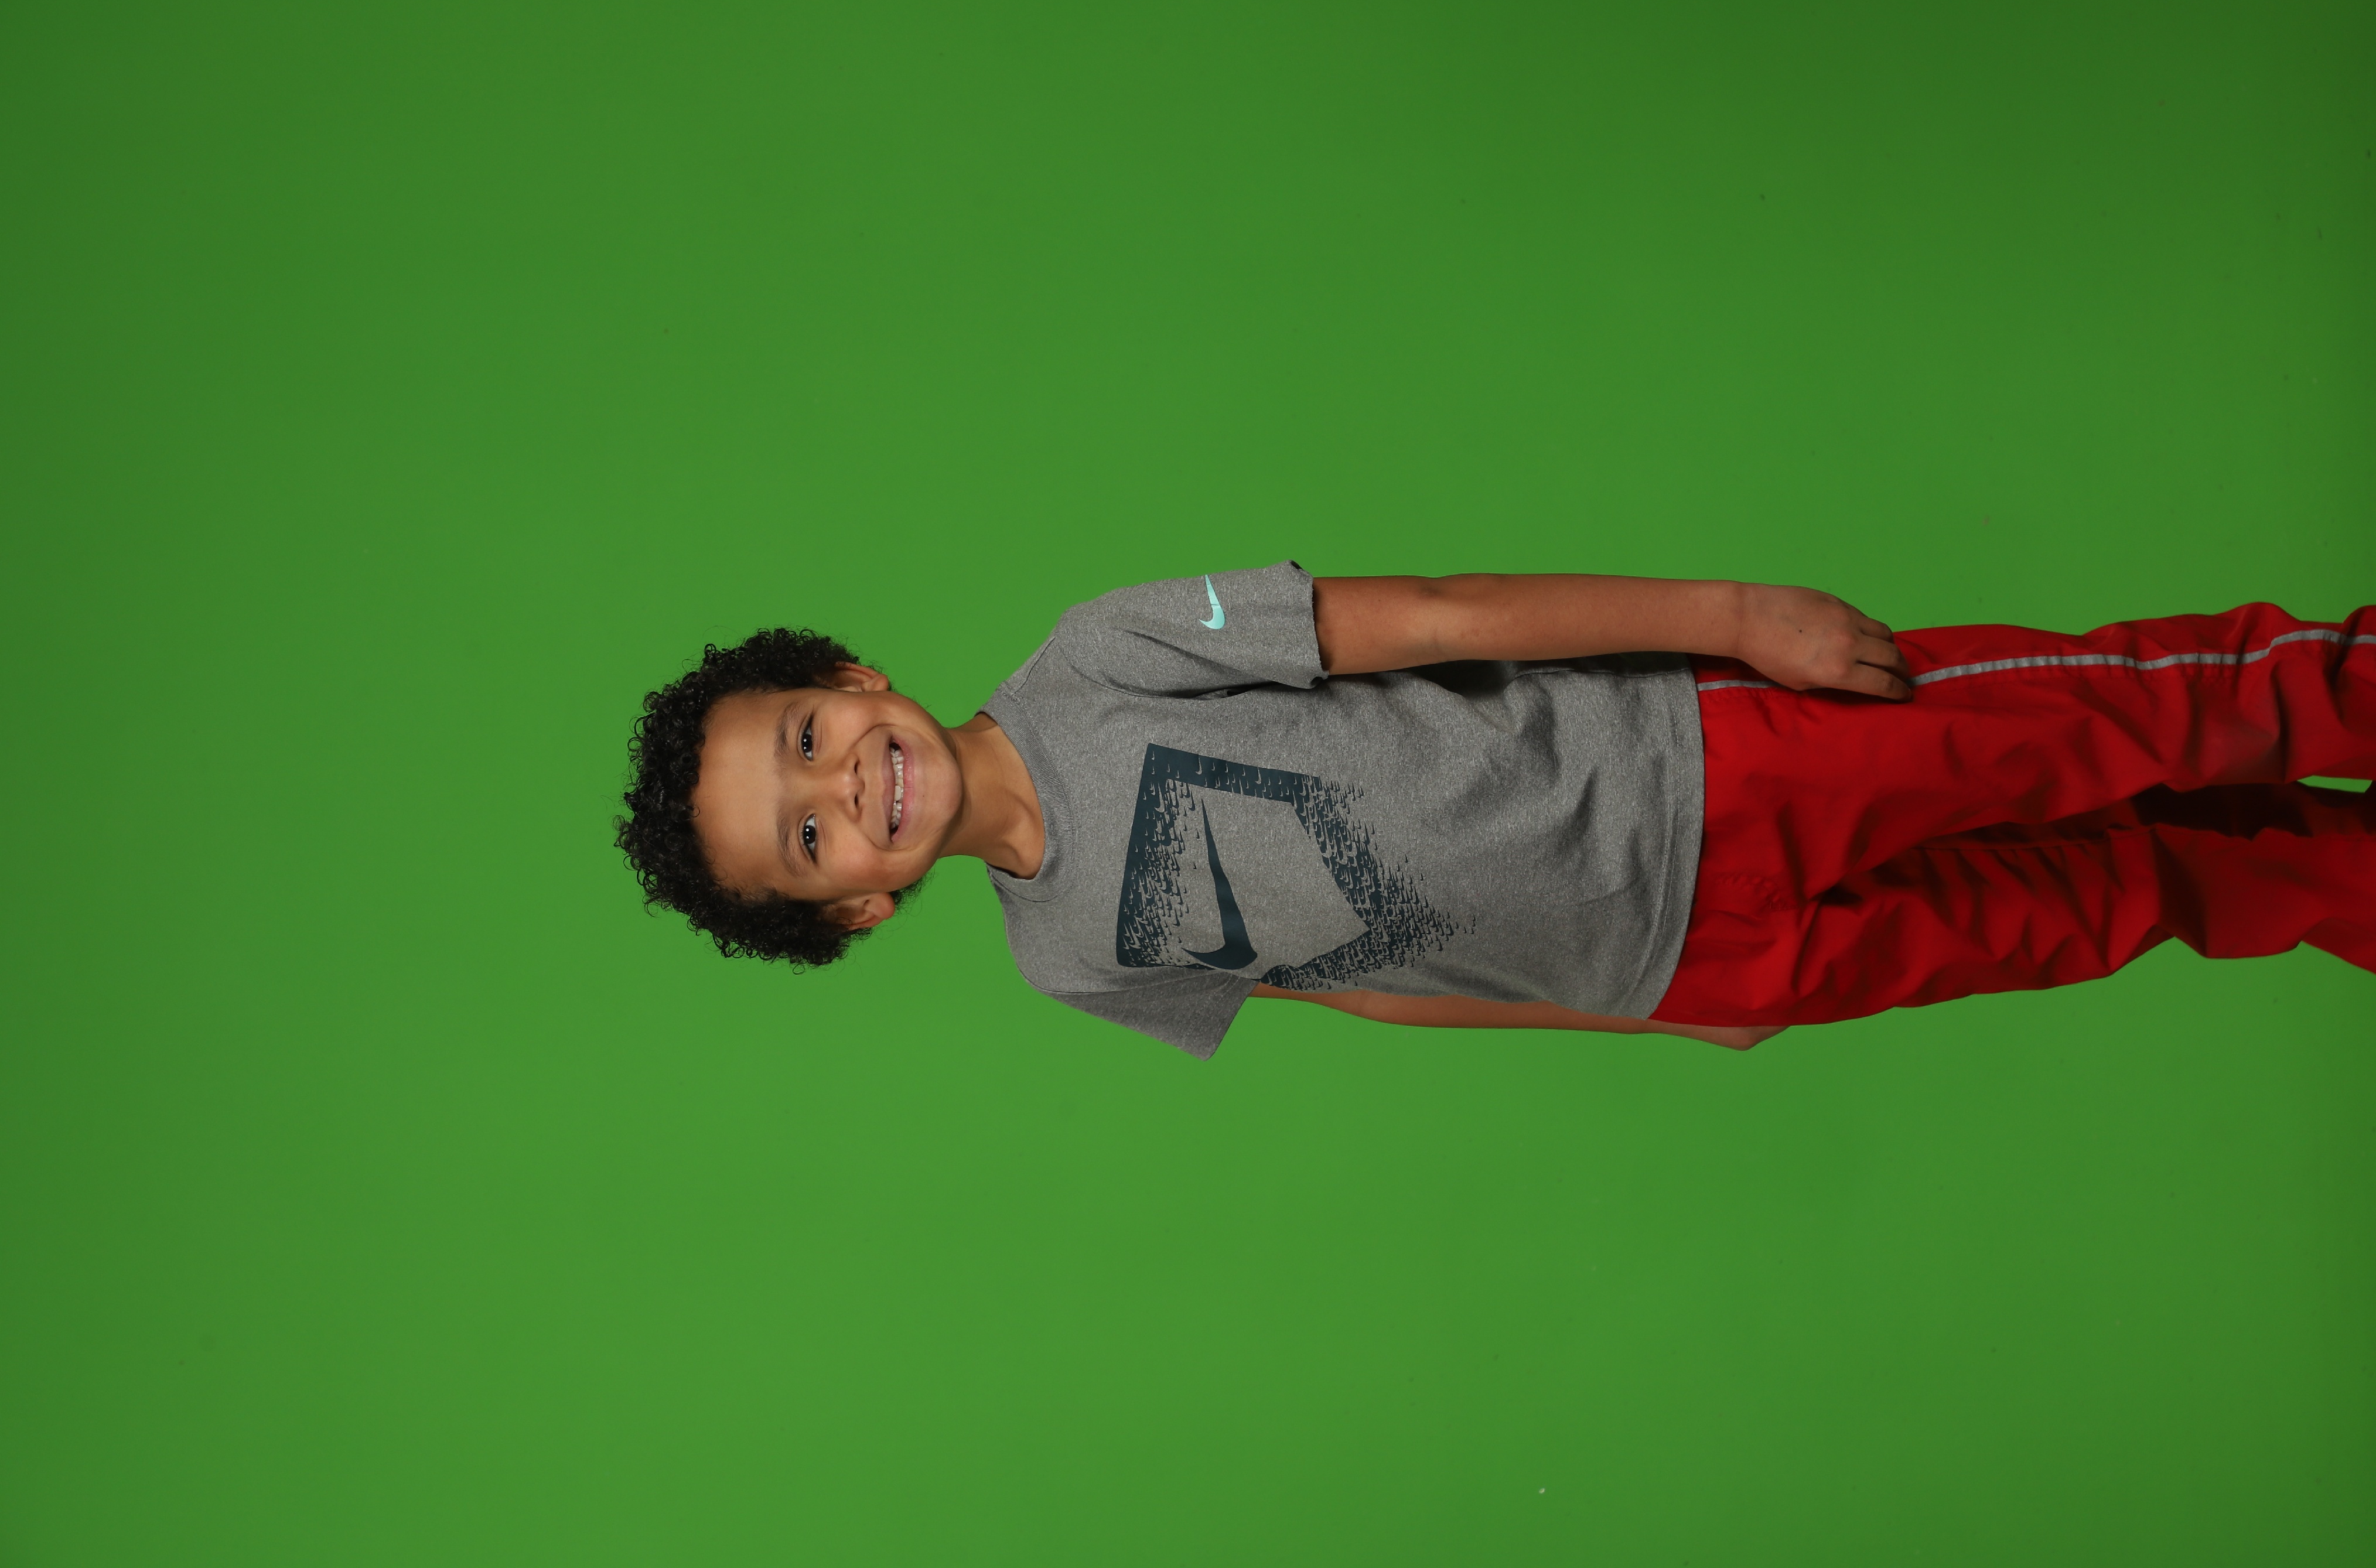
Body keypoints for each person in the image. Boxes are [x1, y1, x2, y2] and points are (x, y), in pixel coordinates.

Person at [616, 565, 2376, 1057]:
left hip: (1708, 757)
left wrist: (1732, 620)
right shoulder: (1064, 962)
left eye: (808, 736)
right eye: (809, 836)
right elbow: (1353, 985)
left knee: (2133, 720)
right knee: (2100, 902)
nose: (845, 784)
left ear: (848, 674)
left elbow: (1430, 619)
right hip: (1684, 957)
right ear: (855, 907)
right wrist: (1638, 1014)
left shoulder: (1095, 657)